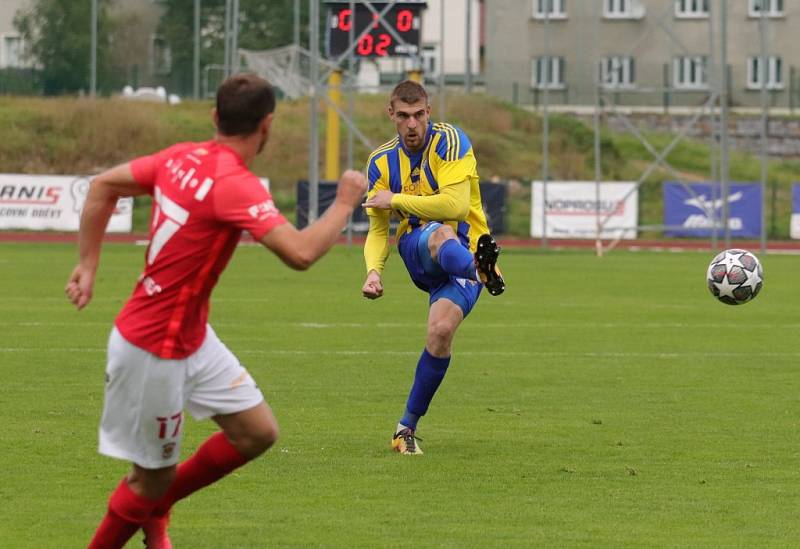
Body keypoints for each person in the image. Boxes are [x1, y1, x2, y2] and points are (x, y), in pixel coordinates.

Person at [65, 73, 366, 548]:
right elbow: (301, 253)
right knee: (147, 480)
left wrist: (88, 264)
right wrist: (346, 201)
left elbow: (103, 185)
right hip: (153, 347)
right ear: (266, 126)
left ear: (214, 117)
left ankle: (157, 506)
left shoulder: (179, 156)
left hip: (189, 334)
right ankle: (149, 506)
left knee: (257, 431)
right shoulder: (235, 184)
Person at [361, 80, 505, 456]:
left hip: (467, 246)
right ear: (391, 114)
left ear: (430, 111)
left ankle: (404, 429)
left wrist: (394, 198)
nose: (413, 124)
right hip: (418, 249)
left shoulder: (451, 141)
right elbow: (379, 229)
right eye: (404, 116)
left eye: (420, 114)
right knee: (440, 233)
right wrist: (373, 270)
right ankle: (482, 271)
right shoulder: (380, 162)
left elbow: (457, 206)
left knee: (440, 333)